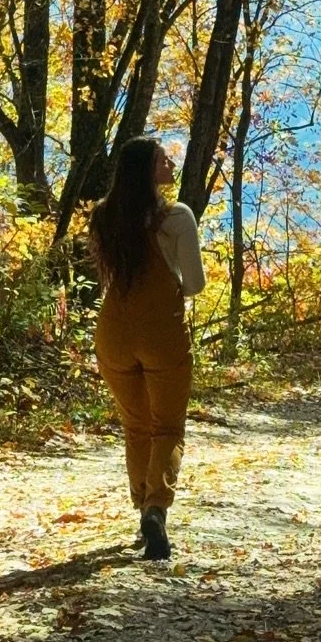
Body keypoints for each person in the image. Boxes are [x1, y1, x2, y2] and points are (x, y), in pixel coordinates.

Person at [90, 136, 206, 560]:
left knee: (136, 426)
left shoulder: (103, 216)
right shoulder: (176, 216)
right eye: (162, 159)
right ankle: (156, 507)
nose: (170, 164)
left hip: (113, 334)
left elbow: (107, 279)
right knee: (167, 428)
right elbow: (195, 284)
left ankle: (142, 508)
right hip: (162, 334)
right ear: (147, 169)